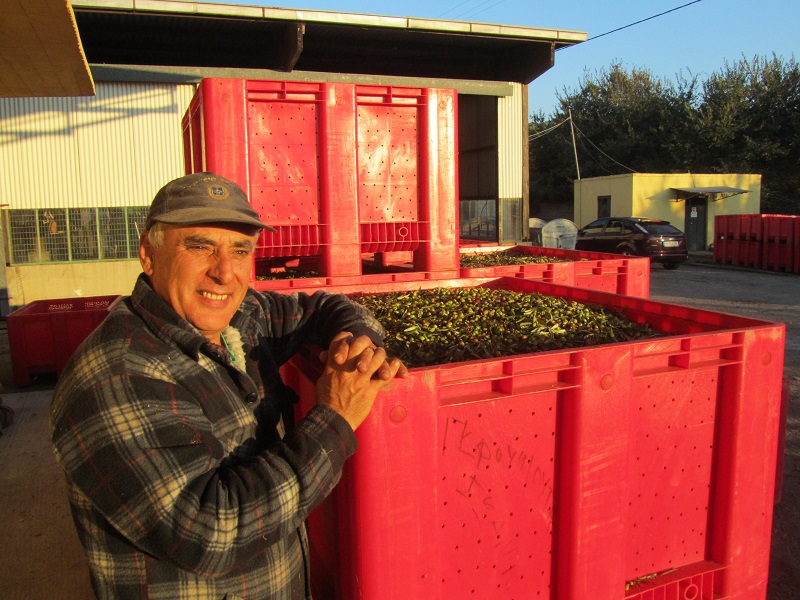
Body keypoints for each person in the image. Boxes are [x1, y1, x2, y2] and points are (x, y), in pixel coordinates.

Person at [50, 172, 408, 600]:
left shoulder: (242, 317)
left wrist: (353, 343)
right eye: (199, 246)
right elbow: (210, 533)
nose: (224, 273)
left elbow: (328, 306)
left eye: (240, 251)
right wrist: (334, 419)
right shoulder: (114, 374)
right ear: (148, 253)